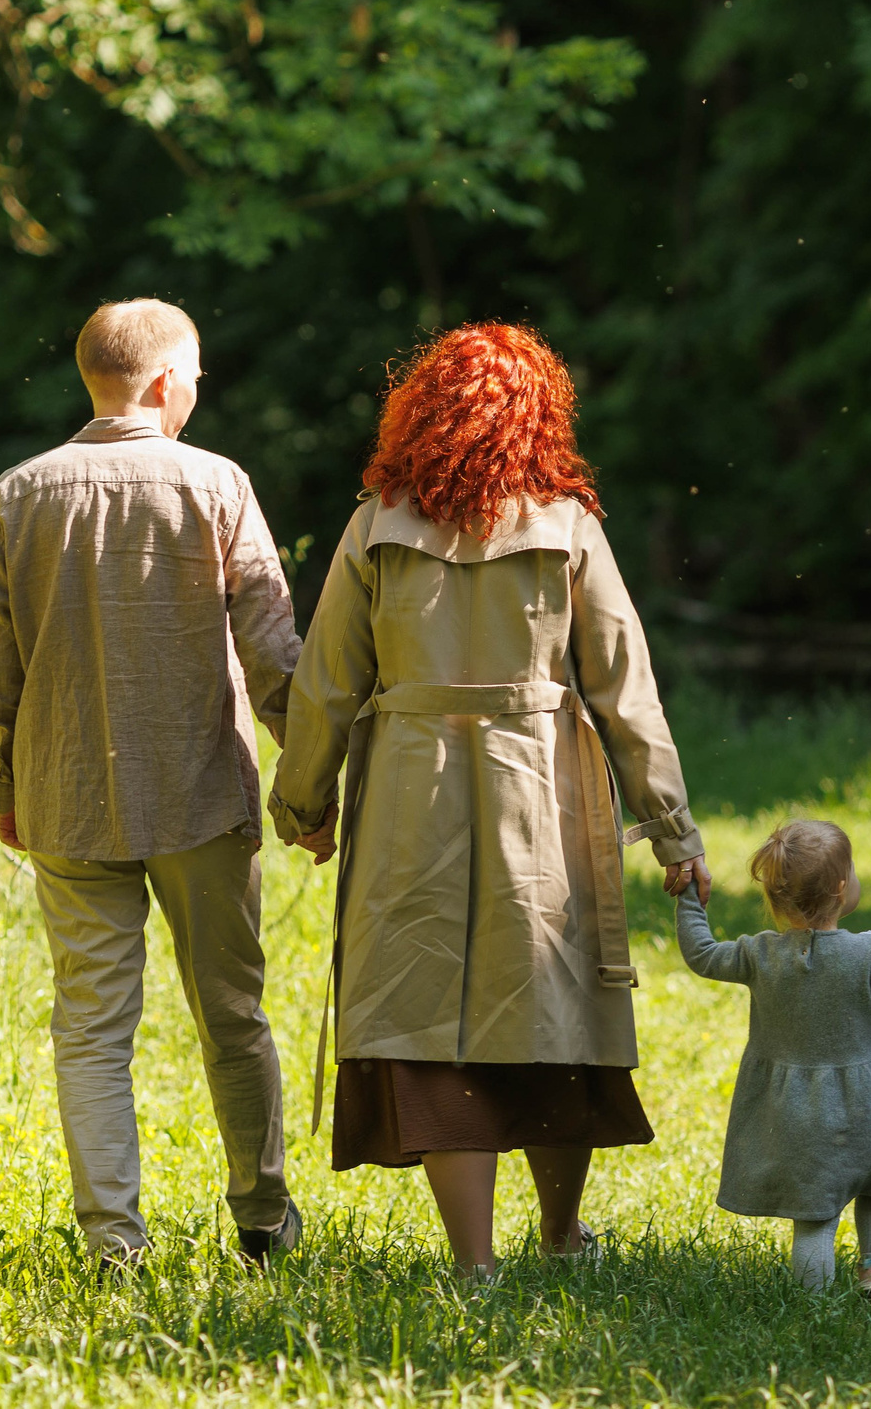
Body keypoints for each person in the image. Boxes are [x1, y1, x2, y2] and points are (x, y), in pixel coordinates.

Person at [267, 322, 709, 1279]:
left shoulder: (377, 523)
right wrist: (671, 824)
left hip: (406, 799)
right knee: (548, 1007)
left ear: (419, 412)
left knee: (431, 1017)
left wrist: (304, 803)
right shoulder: (567, 525)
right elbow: (625, 684)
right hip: (537, 792)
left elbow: (326, 680)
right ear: (539, 414)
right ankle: (558, 1234)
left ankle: (474, 1261)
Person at [0, 298, 304, 1268]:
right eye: (195, 373)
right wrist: (313, 784)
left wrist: (3, 781)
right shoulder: (218, 486)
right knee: (232, 1015)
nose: (199, 389)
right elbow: (274, 652)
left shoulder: (17, 493)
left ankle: (113, 1241)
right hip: (200, 794)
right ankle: (262, 1216)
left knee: (91, 1027)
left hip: (62, 795)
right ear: (165, 384)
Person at [676, 819, 871, 1297]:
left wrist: (689, 896)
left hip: (792, 1111)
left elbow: (701, 953)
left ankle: (812, 1303)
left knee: (814, 1212)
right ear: (842, 887)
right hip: (865, 1103)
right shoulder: (868, 953)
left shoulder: (760, 954)